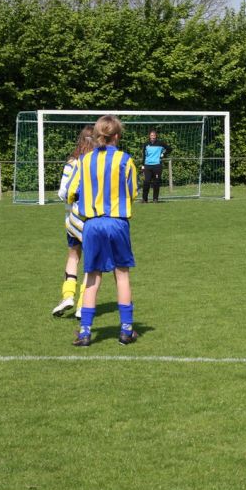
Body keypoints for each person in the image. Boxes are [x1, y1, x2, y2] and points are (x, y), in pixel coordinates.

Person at [66, 115, 139, 346]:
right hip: (117, 222)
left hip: (92, 224)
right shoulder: (125, 160)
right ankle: (126, 330)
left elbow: (70, 192)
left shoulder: (84, 161)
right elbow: (133, 192)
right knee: (122, 276)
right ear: (117, 135)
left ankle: (85, 332)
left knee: (92, 277)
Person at [52, 125, 97, 319]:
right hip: (93, 219)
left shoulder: (72, 162)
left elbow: (63, 192)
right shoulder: (97, 163)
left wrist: (72, 199)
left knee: (73, 256)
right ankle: (82, 305)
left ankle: (68, 295)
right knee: (91, 263)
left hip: (72, 218)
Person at [140, 128, 172, 203]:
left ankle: (155, 199)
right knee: (146, 182)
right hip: (147, 166)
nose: (153, 137)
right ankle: (144, 199)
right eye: (151, 135)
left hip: (157, 166)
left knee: (156, 182)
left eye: (154, 135)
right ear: (149, 136)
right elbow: (144, 155)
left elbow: (169, 149)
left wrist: (163, 154)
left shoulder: (160, 143)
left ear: (156, 136)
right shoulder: (146, 144)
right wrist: (143, 165)